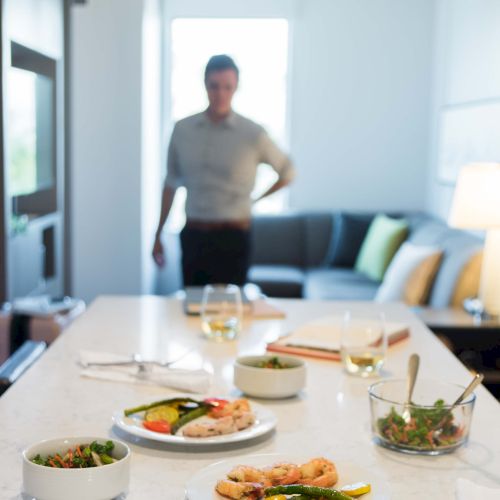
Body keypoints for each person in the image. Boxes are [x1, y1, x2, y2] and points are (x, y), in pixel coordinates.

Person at [152, 54, 295, 286]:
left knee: (234, 312)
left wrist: (256, 200)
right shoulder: (182, 130)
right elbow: (171, 184)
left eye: (227, 87)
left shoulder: (253, 133)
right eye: (214, 86)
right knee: (192, 308)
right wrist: (158, 234)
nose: (220, 94)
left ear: (236, 87)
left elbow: (288, 173)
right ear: (205, 85)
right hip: (194, 235)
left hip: (234, 238)